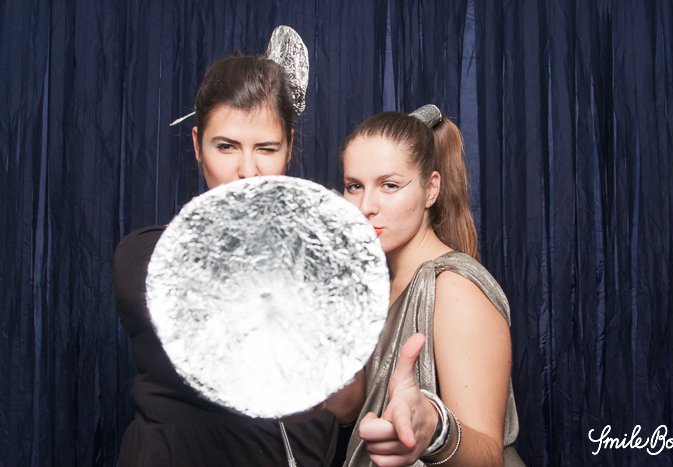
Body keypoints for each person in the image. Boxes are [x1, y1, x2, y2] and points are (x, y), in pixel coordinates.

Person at [113, 32, 338, 466]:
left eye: (266, 148)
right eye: (227, 146)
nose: (247, 171)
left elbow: (344, 402)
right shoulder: (143, 256)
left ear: (289, 147)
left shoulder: (320, 255)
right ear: (197, 145)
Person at [337, 106, 522, 466]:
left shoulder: (455, 289)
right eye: (354, 186)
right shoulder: (375, 288)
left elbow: (489, 458)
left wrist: (435, 430)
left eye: (390, 185)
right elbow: (350, 411)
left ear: (431, 188)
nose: (366, 206)